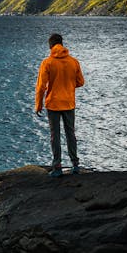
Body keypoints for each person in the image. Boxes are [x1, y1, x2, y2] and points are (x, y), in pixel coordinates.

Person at [35, 33, 85, 177]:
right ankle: (75, 165)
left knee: (54, 135)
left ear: (50, 46)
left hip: (53, 104)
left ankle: (57, 166)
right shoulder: (73, 62)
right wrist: (68, 85)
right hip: (69, 103)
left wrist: (38, 105)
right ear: (62, 44)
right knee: (71, 134)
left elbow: (41, 87)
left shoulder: (47, 63)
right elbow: (81, 82)